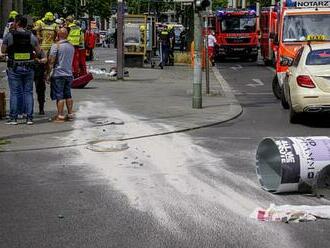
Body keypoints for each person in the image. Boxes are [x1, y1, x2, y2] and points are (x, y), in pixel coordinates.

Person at [1, 15, 44, 125]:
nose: (13, 23)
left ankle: (14, 118)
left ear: (18, 22)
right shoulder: (31, 36)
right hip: (29, 67)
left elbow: (3, 50)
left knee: (15, 93)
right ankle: (29, 118)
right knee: (28, 92)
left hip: (14, 67)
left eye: (15, 21)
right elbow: (38, 51)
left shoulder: (9, 35)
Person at [46, 27, 75, 123]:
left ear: (58, 35)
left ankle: (60, 115)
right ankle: (70, 114)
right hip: (69, 74)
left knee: (60, 96)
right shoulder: (71, 46)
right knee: (68, 94)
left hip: (58, 74)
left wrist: (48, 74)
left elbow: (51, 61)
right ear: (67, 35)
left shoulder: (56, 46)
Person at [34, 12, 58, 115]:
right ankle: (47, 76)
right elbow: (57, 36)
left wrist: (38, 37)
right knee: (49, 66)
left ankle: (46, 75)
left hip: (41, 49)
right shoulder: (54, 25)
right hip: (49, 49)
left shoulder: (40, 23)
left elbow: (36, 33)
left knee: (39, 83)